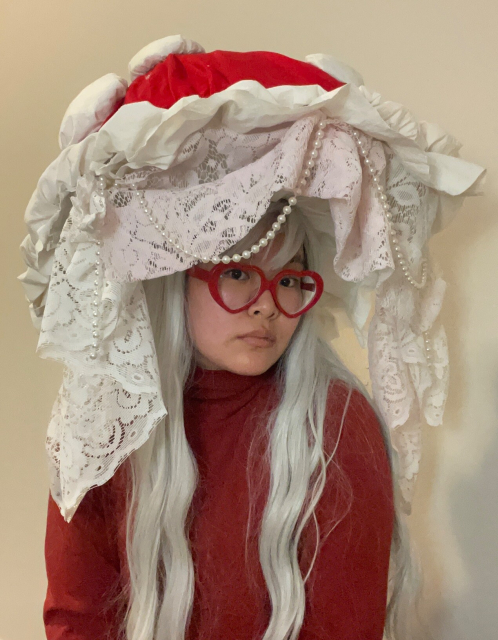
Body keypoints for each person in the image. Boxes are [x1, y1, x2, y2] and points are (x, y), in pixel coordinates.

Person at [18, 36, 484, 640]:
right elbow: (75, 618)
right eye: (238, 272)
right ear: (170, 278)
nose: (269, 305)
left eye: (291, 279)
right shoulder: (103, 427)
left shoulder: (335, 425)